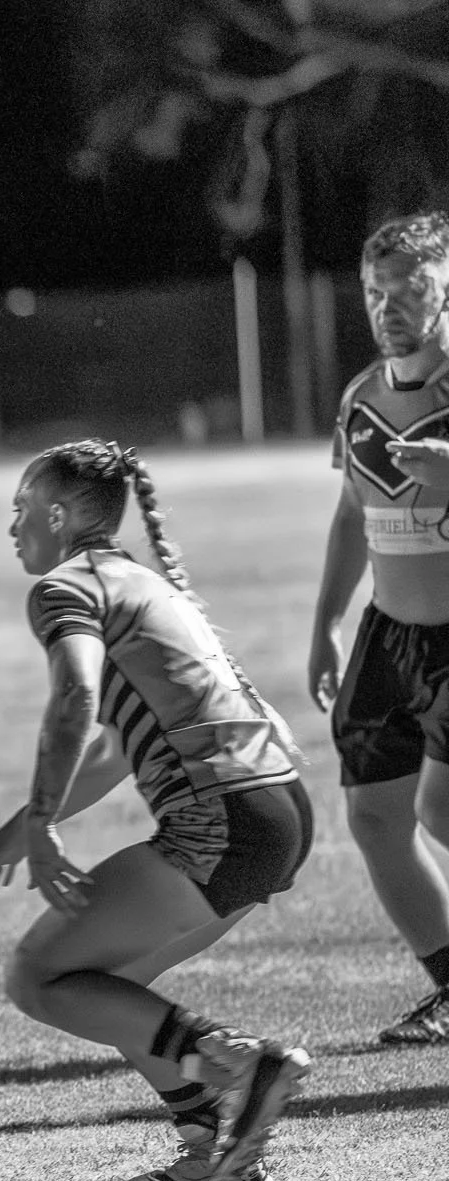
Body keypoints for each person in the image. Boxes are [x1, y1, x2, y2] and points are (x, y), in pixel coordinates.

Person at [0, 439, 314, 1181]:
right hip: (275, 812)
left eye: (21, 510)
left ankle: (246, 1065)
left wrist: (42, 826)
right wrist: (29, 816)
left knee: (37, 975)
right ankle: (208, 1143)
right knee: (114, 988)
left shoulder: (67, 586)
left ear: (58, 516)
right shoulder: (140, 584)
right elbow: (117, 750)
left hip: (219, 819)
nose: (13, 527)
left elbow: (75, 700)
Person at [308, 211, 449, 1045]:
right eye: (375, 290)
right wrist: (325, 622)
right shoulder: (361, 395)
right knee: (373, 817)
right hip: (386, 637)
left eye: (411, 286)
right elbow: (349, 513)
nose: (389, 304)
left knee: (443, 813)